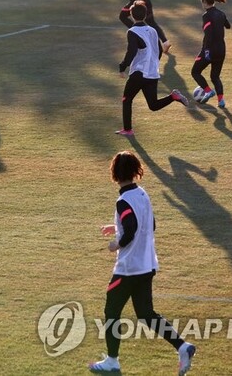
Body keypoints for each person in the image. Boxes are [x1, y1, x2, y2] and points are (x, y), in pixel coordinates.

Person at [88, 151, 196, 375]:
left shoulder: (123, 200)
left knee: (111, 310)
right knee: (146, 314)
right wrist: (116, 227)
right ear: (135, 170)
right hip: (147, 265)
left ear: (115, 173)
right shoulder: (142, 194)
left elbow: (132, 228)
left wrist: (116, 244)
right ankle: (183, 347)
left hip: (129, 269)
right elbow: (149, 223)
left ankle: (112, 361)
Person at [115, 1, 188, 137]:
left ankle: (128, 129)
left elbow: (131, 52)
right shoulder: (153, 30)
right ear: (145, 15)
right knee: (153, 105)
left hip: (139, 72)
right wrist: (153, 64)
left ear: (131, 15)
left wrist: (122, 66)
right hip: (152, 73)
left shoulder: (132, 31)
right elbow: (159, 50)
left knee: (127, 99)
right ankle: (173, 96)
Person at [191, 0, 231, 108]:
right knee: (215, 76)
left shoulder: (206, 16)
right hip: (221, 50)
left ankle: (208, 91)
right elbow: (228, 26)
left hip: (210, 50)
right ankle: (221, 101)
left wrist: (207, 51)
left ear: (204, 1)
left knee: (195, 72)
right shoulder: (221, 14)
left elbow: (208, 34)